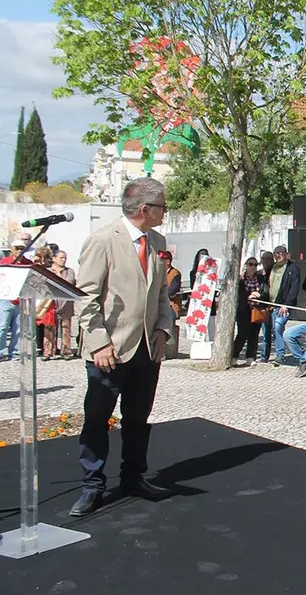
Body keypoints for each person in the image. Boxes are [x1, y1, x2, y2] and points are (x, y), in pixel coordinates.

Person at [71, 177, 175, 517]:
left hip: (146, 347)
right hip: (110, 349)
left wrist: (162, 328)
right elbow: (85, 297)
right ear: (145, 209)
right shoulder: (103, 240)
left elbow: (161, 292)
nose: (165, 212)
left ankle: (133, 476)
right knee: (97, 418)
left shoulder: (157, 241)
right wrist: (99, 341)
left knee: (137, 417)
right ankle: (92, 485)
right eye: (162, 206)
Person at [261, 245, 302, 366]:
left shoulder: (292, 268)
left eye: (280, 253)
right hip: (269, 304)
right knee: (267, 330)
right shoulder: (272, 268)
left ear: (286, 254)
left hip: (282, 305)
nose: (278, 255)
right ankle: (265, 355)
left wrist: (287, 304)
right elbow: (266, 285)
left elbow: (294, 287)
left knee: (278, 326)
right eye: (276, 253)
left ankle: (280, 354)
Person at [0, 234, 33, 361]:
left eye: (22, 248)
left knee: (20, 329)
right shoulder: (4, 263)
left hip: (22, 300)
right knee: (2, 326)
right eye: (17, 248)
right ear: (11, 249)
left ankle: (16, 352)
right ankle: (1, 352)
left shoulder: (28, 264)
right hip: (6, 299)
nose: (20, 250)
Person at [233, 257, 268, 366]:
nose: (253, 267)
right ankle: (234, 355)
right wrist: (250, 296)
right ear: (246, 265)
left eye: (255, 265)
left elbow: (266, 292)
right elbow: (238, 293)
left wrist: (259, 295)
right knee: (242, 333)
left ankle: (250, 357)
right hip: (244, 309)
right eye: (250, 264)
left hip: (257, 309)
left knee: (254, 334)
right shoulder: (241, 279)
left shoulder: (261, 278)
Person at [49, 250, 77, 358]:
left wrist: (57, 274)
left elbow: (68, 282)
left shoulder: (69, 271)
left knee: (66, 328)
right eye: (61, 258)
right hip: (51, 303)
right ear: (54, 259)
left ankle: (66, 351)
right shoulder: (48, 270)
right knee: (50, 328)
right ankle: (49, 350)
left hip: (65, 303)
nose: (63, 260)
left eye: (65, 258)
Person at [158, 251, 180, 360]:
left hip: (171, 305)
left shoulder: (175, 273)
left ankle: (166, 351)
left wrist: (160, 293)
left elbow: (172, 290)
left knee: (167, 326)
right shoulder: (158, 272)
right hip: (158, 304)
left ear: (168, 261)